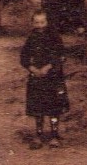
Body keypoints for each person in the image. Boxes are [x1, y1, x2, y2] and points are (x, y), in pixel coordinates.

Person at [20, 10, 69, 149]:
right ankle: (39, 135)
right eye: (37, 22)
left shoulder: (54, 37)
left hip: (53, 76)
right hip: (37, 77)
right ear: (32, 23)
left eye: (43, 22)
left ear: (47, 22)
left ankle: (54, 135)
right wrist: (32, 68)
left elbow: (61, 55)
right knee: (38, 106)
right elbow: (23, 56)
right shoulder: (31, 38)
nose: (40, 25)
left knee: (54, 106)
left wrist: (49, 67)